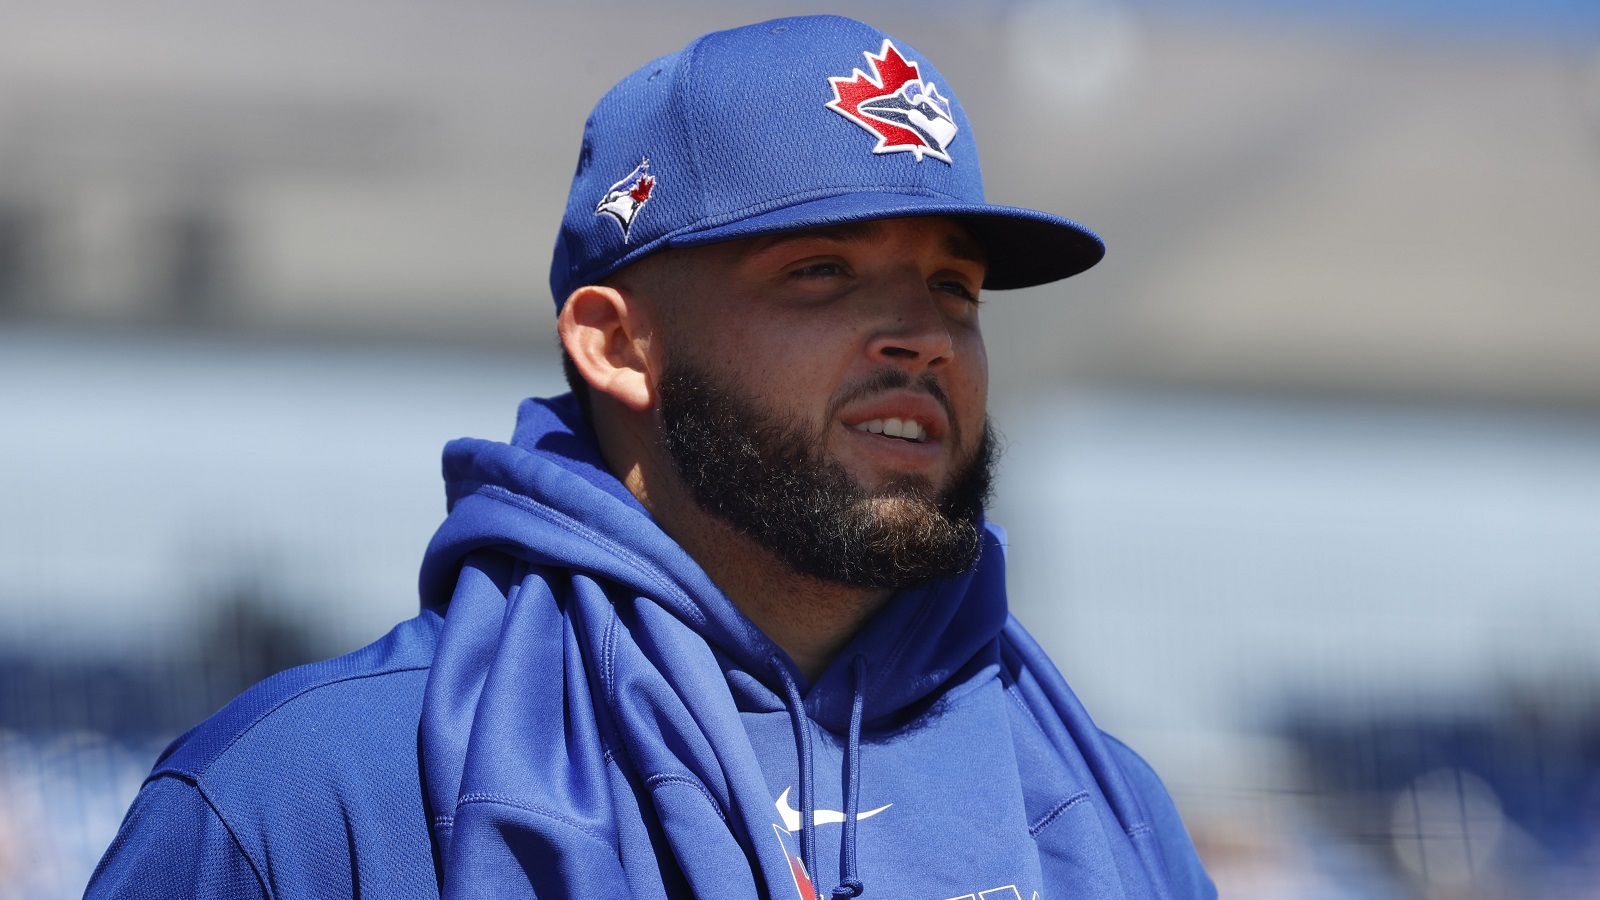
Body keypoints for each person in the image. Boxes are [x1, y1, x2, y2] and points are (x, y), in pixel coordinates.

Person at [88, 15, 1214, 900]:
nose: (921, 335)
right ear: (617, 345)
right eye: (819, 271)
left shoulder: (1101, 808)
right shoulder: (312, 791)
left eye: (952, 286)